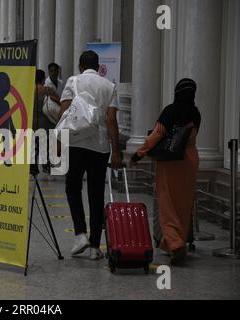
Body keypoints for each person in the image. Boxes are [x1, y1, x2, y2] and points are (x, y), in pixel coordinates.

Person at [131, 79, 201, 266]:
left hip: (171, 162)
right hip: (190, 159)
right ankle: (173, 242)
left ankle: (176, 244)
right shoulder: (195, 113)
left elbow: (156, 135)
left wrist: (138, 155)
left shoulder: (170, 111)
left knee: (167, 202)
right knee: (184, 204)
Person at [59, 50, 122, 259]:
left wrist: (58, 142)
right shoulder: (109, 86)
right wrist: (116, 152)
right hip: (100, 146)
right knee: (96, 195)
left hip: (76, 143)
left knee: (72, 187)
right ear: (98, 67)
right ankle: (95, 247)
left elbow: (65, 112)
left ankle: (80, 235)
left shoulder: (73, 81)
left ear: (79, 66)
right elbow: (111, 120)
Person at [33, 69, 56, 175]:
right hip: (45, 121)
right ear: (43, 79)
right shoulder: (48, 90)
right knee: (45, 144)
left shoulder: (29, 90)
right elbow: (58, 102)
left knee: (33, 144)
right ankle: (46, 165)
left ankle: (33, 167)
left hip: (33, 121)